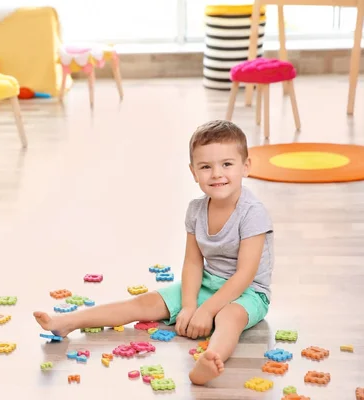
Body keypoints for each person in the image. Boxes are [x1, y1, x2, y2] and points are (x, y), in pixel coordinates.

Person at [33, 120, 274, 385]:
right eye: (206, 167)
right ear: (193, 172)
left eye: (227, 164)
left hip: (248, 292)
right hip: (209, 283)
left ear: (246, 167)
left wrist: (206, 311)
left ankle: (210, 359)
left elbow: (244, 275)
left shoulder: (252, 213)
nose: (217, 173)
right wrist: (190, 304)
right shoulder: (196, 210)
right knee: (143, 303)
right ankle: (68, 322)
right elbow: (193, 263)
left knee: (229, 317)